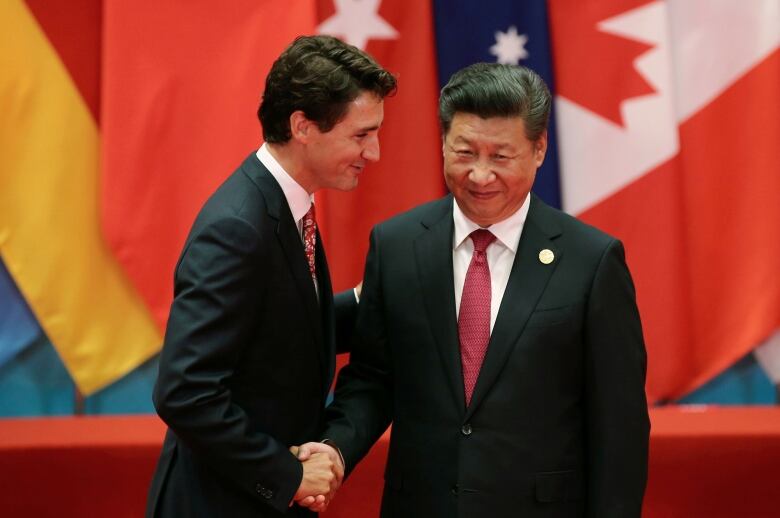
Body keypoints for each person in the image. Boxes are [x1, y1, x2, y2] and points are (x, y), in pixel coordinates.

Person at [298, 63, 649, 517]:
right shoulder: (398, 245)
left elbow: (618, 427)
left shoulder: (592, 262)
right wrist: (335, 449)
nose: (480, 176)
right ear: (443, 143)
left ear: (539, 149)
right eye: (464, 152)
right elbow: (373, 379)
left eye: (501, 157)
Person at [146, 35, 396, 518]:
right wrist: (288, 475)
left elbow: (281, 330)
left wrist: (370, 300)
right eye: (361, 135)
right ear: (303, 126)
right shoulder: (237, 227)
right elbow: (185, 392)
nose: (376, 152)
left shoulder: (285, 203)